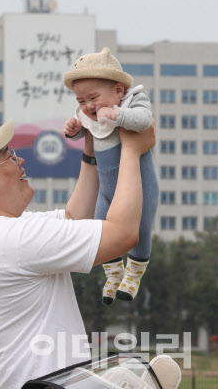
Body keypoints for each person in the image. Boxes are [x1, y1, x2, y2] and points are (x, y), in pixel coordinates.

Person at [0, 106, 155, 387]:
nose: (21, 160)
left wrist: (91, 145)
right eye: (9, 157)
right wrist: (131, 152)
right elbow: (123, 235)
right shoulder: (12, 239)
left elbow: (73, 219)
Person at [63, 47, 158, 305]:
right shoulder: (89, 113)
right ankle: (113, 274)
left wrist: (118, 115)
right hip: (107, 188)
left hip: (140, 186)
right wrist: (74, 130)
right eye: (81, 101)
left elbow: (143, 121)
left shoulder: (132, 101)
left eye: (93, 98)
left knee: (141, 229)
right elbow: (86, 130)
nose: (88, 107)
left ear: (118, 90)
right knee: (99, 226)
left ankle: (134, 274)